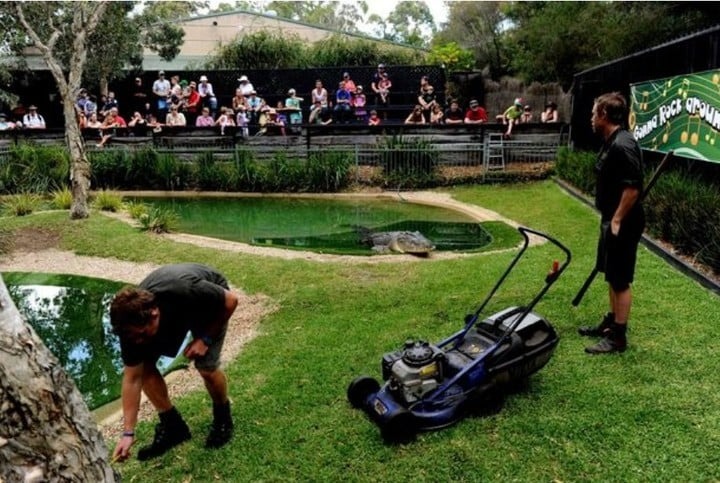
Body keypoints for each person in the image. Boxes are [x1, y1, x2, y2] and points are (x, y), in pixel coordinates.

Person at [110, 263, 239, 462]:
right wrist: (128, 433)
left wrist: (205, 338)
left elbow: (231, 301)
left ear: (154, 314)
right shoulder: (131, 327)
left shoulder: (184, 290)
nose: (138, 342)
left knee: (206, 368)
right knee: (144, 368)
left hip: (208, 306)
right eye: (134, 337)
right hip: (175, 313)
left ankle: (223, 418)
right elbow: (132, 379)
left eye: (142, 335)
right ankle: (173, 428)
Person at [578, 92, 645, 355]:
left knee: (620, 279)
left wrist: (616, 219)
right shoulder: (612, 140)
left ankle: (618, 337)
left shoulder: (623, 144)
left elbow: (633, 188)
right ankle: (611, 320)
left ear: (604, 115)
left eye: (594, 113)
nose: (591, 118)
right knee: (611, 273)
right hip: (612, 218)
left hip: (623, 221)